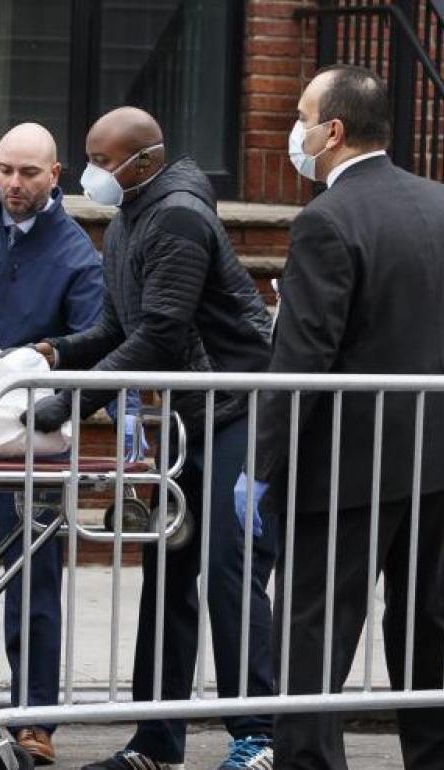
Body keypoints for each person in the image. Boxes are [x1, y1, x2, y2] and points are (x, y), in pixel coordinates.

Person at [240, 64, 444, 770]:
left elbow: (302, 360)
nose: (295, 131)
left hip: (344, 470)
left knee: (314, 629)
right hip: (434, 457)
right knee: (432, 620)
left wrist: (262, 466)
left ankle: (309, 763)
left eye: (301, 117)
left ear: (333, 131)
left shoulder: (326, 220)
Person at [27, 108, 277, 770]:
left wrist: (71, 404)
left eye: (103, 162)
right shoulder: (129, 219)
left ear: (145, 162)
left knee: (229, 568)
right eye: (89, 158)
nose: (92, 174)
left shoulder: (178, 218)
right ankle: (157, 742)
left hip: (240, 407)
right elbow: (119, 328)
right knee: (168, 571)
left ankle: (260, 734)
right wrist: (57, 353)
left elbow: (161, 334)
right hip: (196, 415)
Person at [0, 122, 104, 766]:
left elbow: (92, 347)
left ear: (55, 175)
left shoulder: (76, 254)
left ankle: (35, 719)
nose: (12, 183)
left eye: (28, 173)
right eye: (5, 169)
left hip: (33, 443)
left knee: (34, 581)